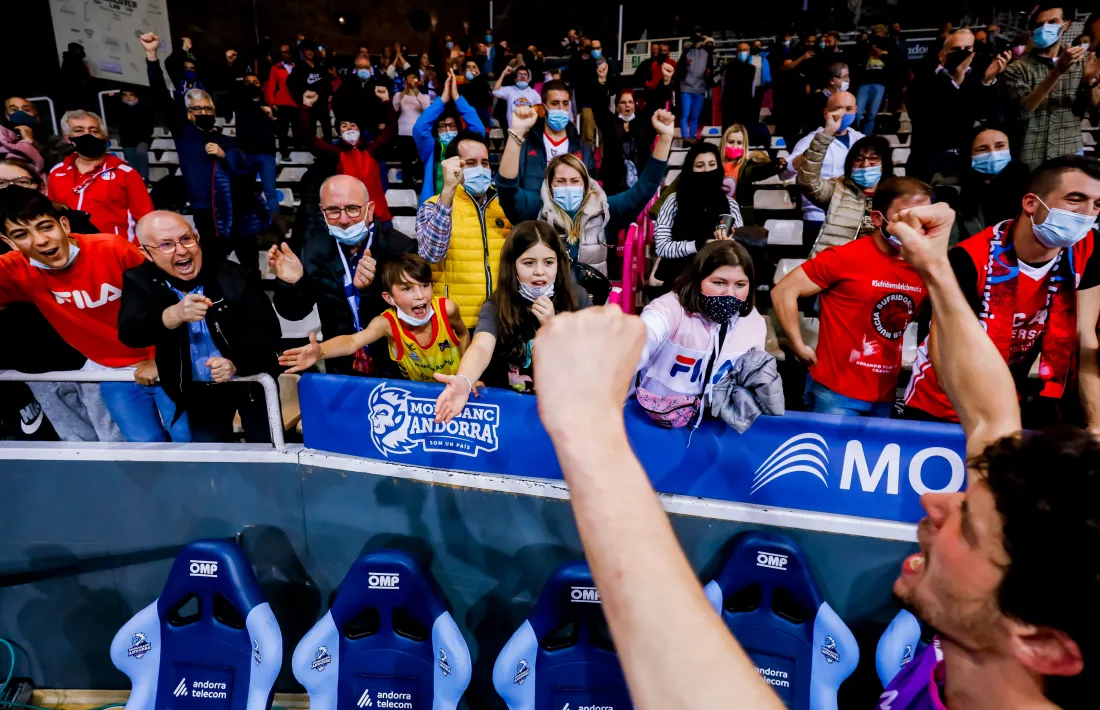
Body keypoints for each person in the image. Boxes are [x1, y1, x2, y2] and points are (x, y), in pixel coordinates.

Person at [526, 201, 1100, 710]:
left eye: (968, 526)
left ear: (1040, 643)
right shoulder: (969, 647)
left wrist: (588, 425)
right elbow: (989, 414)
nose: (935, 500)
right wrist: (935, 268)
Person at [903, 156, 1100, 429]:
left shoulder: (1087, 249)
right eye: (1075, 199)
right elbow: (944, 356)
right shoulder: (969, 259)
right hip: (940, 405)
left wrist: (1096, 424)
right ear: (1031, 203)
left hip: (1006, 404)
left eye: (1097, 204)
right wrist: (986, 428)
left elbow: (1084, 336)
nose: (1087, 213)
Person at [0, 188, 187, 442]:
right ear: (9, 242)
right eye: (21, 235)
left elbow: (171, 299)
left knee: (188, 440)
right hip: (110, 372)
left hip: (168, 359)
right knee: (143, 449)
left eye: (46, 227)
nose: (40, 240)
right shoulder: (13, 270)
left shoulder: (113, 248)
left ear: (64, 224)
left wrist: (159, 357)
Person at [773, 177, 933, 416]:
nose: (916, 226)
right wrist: (798, 345)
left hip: (885, 394)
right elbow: (783, 291)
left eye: (924, 218)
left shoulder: (925, 268)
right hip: (834, 393)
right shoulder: (846, 257)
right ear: (877, 218)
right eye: (906, 217)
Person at [117, 211, 281, 443]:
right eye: (166, 245)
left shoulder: (233, 274)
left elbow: (269, 332)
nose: (182, 251)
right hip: (198, 390)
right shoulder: (139, 280)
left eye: (186, 239)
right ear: (146, 253)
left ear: (197, 237)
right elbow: (129, 332)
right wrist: (171, 316)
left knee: (266, 446)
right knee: (212, 453)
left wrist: (235, 362)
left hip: (251, 380)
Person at [433, 220, 591, 414]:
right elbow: (481, 347)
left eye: (549, 262)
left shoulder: (577, 298)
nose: (540, 271)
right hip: (513, 410)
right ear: (512, 265)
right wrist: (464, 380)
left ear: (559, 263)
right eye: (529, 263)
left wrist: (554, 329)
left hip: (563, 408)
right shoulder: (497, 305)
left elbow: (590, 358)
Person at [141, 33, 267, 274]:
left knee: (250, 266)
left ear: (214, 112)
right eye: (197, 108)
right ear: (189, 113)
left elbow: (246, 168)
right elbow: (160, 96)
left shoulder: (228, 141)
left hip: (238, 211)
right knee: (211, 266)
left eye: (207, 108)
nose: (203, 112)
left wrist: (225, 155)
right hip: (206, 212)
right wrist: (152, 57)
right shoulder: (185, 134)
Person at [266, 175, 416, 376]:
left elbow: (415, 313)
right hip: (341, 368)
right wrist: (293, 284)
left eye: (352, 209)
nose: (344, 220)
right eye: (333, 211)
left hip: (395, 365)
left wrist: (371, 289)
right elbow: (294, 313)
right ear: (322, 212)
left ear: (370, 209)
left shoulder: (400, 248)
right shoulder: (313, 251)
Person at [497, 106, 674, 275]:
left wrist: (665, 139)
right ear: (549, 185)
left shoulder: (604, 211)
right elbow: (507, 189)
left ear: (586, 185)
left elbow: (643, 190)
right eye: (560, 181)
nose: (568, 186)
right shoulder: (536, 208)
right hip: (546, 296)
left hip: (591, 297)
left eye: (575, 181)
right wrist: (516, 134)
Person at [633, 240, 765, 428]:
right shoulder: (668, 309)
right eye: (719, 283)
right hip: (652, 424)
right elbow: (637, 347)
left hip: (711, 429)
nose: (730, 293)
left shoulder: (754, 323)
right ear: (698, 280)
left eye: (740, 284)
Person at [278, 252, 469, 382]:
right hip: (419, 398)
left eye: (425, 285)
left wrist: (466, 377)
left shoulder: (447, 309)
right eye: (407, 289)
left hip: (457, 390)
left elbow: (464, 334)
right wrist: (320, 351)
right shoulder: (387, 323)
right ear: (389, 298)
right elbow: (352, 341)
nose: (420, 295)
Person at [415, 131, 510, 326]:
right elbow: (431, 255)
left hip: (501, 320)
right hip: (456, 323)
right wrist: (448, 191)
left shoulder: (505, 206)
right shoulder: (432, 206)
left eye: (485, 163)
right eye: (471, 163)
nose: (480, 169)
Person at [1002, 4, 1100, 169]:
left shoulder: (1082, 63)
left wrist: (1088, 83)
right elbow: (1021, 111)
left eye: (1052, 22)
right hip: (1030, 159)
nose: (1045, 28)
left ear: (1066, 25)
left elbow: (1093, 111)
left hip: (1071, 154)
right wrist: (1057, 72)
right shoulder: (1016, 69)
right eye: (1039, 24)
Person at [907, 29, 1011, 183]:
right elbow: (923, 117)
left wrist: (987, 81)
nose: (963, 53)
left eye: (968, 49)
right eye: (956, 49)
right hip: (927, 160)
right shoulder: (923, 77)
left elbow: (984, 114)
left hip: (963, 161)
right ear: (942, 54)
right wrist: (954, 82)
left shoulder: (976, 78)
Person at [797, 110, 893, 255]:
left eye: (873, 159)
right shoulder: (837, 190)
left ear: (884, 164)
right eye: (859, 159)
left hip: (884, 261)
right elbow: (807, 181)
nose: (865, 165)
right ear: (850, 164)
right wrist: (826, 135)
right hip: (843, 260)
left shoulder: (896, 193)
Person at [47, 110, 153, 240]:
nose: (87, 135)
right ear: (67, 138)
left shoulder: (126, 173)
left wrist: (133, 249)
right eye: (79, 130)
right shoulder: (57, 173)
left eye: (94, 130)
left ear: (104, 137)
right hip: (71, 249)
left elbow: (145, 219)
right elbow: (52, 214)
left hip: (116, 249)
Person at [298, 87, 396, 225]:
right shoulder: (335, 154)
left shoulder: (372, 151)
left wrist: (386, 101)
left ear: (359, 129)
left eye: (353, 125)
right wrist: (306, 107)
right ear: (339, 132)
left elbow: (391, 131)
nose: (348, 128)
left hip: (379, 217)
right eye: (343, 126)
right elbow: (309, 139)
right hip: (350, 220)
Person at [653, 143, 744, 290]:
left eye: (712, 164)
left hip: (719, 285)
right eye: (700, 166)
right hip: (678, 282)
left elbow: (740, 251)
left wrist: (731, 243)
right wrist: (699, 245)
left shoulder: (731, 205)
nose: (707, 170)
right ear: (690, 169)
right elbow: (662, 247)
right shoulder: (673, 201)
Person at [783, 91, 863, 243]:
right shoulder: (810, 139)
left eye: (848, 109)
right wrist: (815, 149)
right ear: (826, 113)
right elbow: (785, 172)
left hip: (853, 216)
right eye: (838, 108)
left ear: (856, 110)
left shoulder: (860, 139)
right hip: (818, 216)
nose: (843, 113)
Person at [507, 80, 596, 205]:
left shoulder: (583, 148)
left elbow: (590, 191)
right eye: (555, 103)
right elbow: (511, 186)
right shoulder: (525, 144)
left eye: (565, 103)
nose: (561, 109)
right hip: (534, 213)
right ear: (543, 108)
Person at [942, 128, 1031, 245]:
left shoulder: (1031, 186)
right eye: (982, 149)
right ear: (970, 155)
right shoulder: (954, 192)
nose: (992, 153)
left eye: (1000, 146)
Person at [412, 69, 486, 205]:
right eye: (442, 126)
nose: (447, 130)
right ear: (436, 130)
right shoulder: (431, 147)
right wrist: (443, 99)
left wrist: (457, 98)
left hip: (463, 205)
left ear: (458, 128)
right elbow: (419, 128)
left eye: (452, 126)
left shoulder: (465, 145)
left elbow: (479, 130)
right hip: (434, 206)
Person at [596, 83, 670, 197]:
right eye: (623, 102)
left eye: (630, 102)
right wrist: (601, 82)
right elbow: (599, 107)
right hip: (614, 187)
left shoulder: (644, 123)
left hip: (640, 184)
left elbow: (655, 104)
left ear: (635, 105)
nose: (627, 105)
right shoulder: (610, 124)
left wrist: (665, 82)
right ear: (617, 107)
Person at [230, 71, 281, 219]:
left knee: (270, 191)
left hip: (267, 154)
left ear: (261, 85)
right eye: (248, 83)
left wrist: (271, 117)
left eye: (255, 82)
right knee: (245, 191)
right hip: (246, 153)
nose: (252, 85)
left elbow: (280, 130)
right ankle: (248, 223)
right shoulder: (239, 103)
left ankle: (274, 224)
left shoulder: (269, 104)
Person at [720, 124, 787, 208]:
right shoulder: (715, 163)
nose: (735, 146)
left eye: (739, 143)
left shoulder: (748, 166)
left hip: (741, 212)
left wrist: (776, 164)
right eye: (731, 142)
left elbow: (761, 171)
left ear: (744, 145)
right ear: (724, 142)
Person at [850, 25, 893, 135]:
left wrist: (881, 54)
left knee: (872, 114)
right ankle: (855, 135)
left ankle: (866, 137)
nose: (878, 37)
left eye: (880, 35)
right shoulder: (866, 47)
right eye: (875, 35)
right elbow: (858, 60)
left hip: (880, 83)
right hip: (864, 83)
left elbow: (893, 63)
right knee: (857, 113)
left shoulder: (890, 46)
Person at [288, 40, 333, 142]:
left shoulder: (320, 66)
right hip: (309, 104)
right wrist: (301, 96)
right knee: (310, 130)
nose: (309, 52)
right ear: (302, 51)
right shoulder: (299, 68)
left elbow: (327, 82)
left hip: (322, 102)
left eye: (311, 50)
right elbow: (290, 83)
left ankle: (329, 148)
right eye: (307, 50)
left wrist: (330, 93)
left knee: (327, 128)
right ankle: (314, 149)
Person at [675, 30, 711, 144]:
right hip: (686, 87)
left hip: (700, 88)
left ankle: (692, 137)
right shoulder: (686, 51)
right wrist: (684, 64)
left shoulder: (707, 52)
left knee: (695, 116)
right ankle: (685, 137)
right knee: (685, 114)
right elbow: (679, 68)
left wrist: (708, 72)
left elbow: (710, 69)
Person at [264, 44, 298, 161]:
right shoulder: (276, 68)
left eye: (287, 52)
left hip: (296, 102)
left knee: (298, 128)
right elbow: (271, 87)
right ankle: (284, 153)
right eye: (282, 52)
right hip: (282, 102)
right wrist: (272, 103)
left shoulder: (297, 67)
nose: (284, 54)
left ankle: (297, 148)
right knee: (283, 130)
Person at [115, 90, 154, 183]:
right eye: (125, 95)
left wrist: (145, 136)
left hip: (143, 139)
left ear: (137, 97)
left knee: (141, 153)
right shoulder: (120, 110)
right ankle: (136, 180)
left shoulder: (145, 109)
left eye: (131, 95)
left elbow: (149, 126)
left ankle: (144, 178)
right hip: (127, 140)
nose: (128, 97)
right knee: (132, 160)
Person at [458, 58, 494, 129]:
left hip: (482, 123)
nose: (472, 69)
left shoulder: (483, 85)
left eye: (474, 67)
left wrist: (478, 79)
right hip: (465, 124)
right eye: (468, 67)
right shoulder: (460, 87)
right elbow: (470, 99)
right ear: (464, 71)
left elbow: (488, 102)